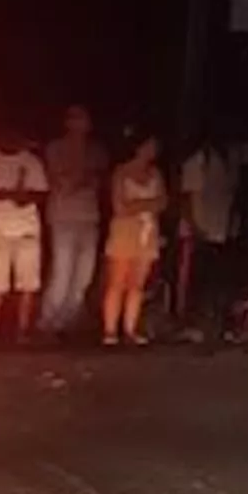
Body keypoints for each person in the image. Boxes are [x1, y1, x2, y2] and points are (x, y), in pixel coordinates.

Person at [39, 105, 108, 335]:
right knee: (62, 270)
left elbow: (97, 180)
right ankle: (48, 321)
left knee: (84, 274)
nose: (82, 123)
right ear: (67, 122)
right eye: (76, 119)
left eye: (84, 119)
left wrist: (81, 180)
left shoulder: (95, 150)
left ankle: (69, 319)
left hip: (89, 217)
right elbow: (62, 182)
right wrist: (83, 179)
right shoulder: (56, 148)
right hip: (63, 216)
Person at [0, 132, 49, 341]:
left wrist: (20, 196)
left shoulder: (31, 162)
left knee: (28, 284)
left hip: (26, 231)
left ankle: (22, 329)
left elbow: (42, 193)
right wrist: (6, 194)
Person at [102, 131, 167, 346]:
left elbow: (162, 202)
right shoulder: (121, 172)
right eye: (149, 145)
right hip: (124, 231)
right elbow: (120, 207)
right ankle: (110, 330)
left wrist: (137, 204)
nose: (153, 150)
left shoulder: (155, 173)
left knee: (137, 284)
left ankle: (130, 329)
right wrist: (147, 204)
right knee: (117, 281)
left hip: (147, 231)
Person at [179, 132, 240, 341]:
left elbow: (230, 194)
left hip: (221, 230)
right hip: (201, 231)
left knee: (217, 281)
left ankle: (215, 323)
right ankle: (192, 322)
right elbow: (187, 198)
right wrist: (195, 227)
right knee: (198, 280)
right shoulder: (199, 160)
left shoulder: (228, 160)